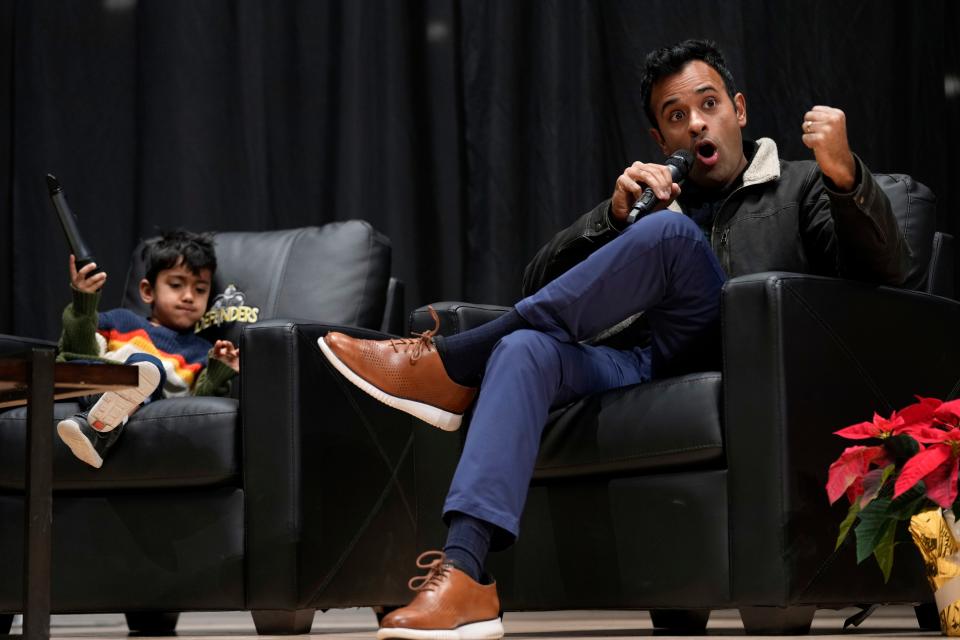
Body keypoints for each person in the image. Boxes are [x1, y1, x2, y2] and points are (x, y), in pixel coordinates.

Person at [319, 39, 908, 639]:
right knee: (523, 349)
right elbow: (537, 285)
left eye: (708, 105)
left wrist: (847, 177)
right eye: (676, 116)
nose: (696, 123)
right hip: (642, 362)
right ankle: (467, 572)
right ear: (660, 139)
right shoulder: (652, 199)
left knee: (674, 240)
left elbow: (890, 279)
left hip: (742, 356)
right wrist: (613, 216)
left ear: (739, 110)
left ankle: (450, 364)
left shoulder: (802, 185)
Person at [56, 230, 240, 469]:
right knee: (81, 368)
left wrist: (219, 371)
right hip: (99, 385)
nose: (188, 296)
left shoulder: (202, 351)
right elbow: (77, 352)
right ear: (147, 291)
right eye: (176, 285)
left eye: (200, 289)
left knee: (146, 367)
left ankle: (94, 427)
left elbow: (202, 410)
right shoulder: (119, 320)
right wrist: (83, 303)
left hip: (151, 402)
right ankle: (97, 427)